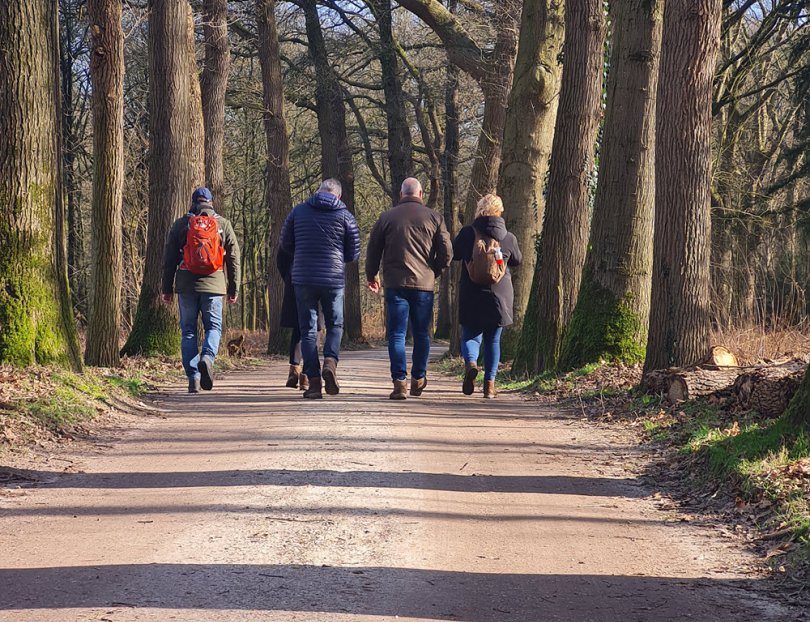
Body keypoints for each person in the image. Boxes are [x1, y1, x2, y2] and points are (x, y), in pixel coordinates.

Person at [366, 178, 452, 400]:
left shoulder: (386, 217)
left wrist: (371, 275)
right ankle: (418, 378)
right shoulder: (434, 217)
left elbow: (373, 249)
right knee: (422, 334)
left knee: (397, 335)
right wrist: (434, 270)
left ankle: (399, 382)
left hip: (395, 284)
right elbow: (447, 253)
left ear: (401, 193)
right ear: (421, 194)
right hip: (424, 285)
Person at [280, 178, 360, 399]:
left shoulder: (297, 212)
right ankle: (330, 363)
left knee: (308, 330)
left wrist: (302, 253)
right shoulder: (346, 216)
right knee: (335, 324)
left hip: (303, 278)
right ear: (339, 196)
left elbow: (285, 244)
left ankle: (314, 383)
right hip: (333, 279)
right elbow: (353, 253)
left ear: (319, 191)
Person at [162, 187, 241, 393]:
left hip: (186, 284)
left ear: (193, 202)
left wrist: (166, 288)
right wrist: (234, 288)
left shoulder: (182, 225)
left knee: (188, 332)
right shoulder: (222, 224)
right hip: (214, 284)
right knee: (213, 328)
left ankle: (193, 378)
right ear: (211, 202)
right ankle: (207, 358)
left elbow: (169, 259)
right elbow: (233, 259)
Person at [452, 193, 522, 398]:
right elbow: (517, 260)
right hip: (499, 296)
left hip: (471, 292)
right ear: (500, 211)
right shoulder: (508, 237)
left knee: (470, 335)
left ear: (479, 210)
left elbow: (455, 254)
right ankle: (489, 386)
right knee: (493, 340)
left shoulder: (467, 233)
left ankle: (471, 363)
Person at [276, 246, 324, 391]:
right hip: (320, 279)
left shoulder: (294, 224)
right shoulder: (326, 225)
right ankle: (306, 375)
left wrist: (289, 276)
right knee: (314, 328)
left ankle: (294, 369)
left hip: (296, 279)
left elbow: (281, 256)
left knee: (299, 327)